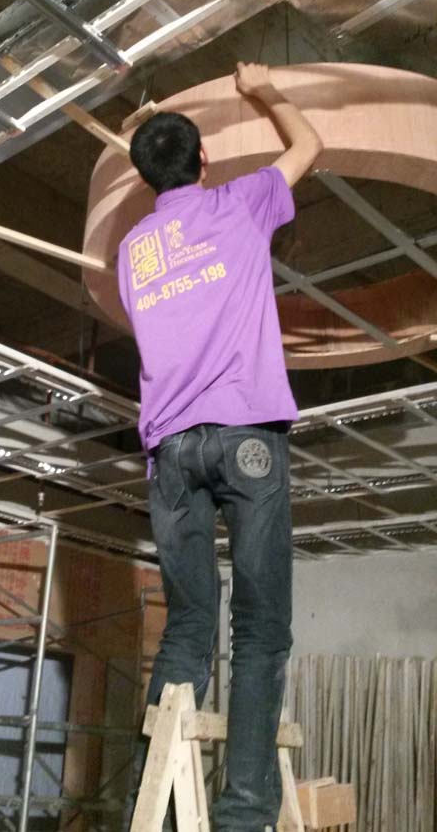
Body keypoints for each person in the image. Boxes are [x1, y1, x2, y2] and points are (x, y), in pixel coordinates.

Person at [116, 62, 323, 832]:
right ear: (204, 159)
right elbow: (309, 144)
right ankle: (240, 816)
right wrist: (264, 89)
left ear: (146, 177)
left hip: (171, 451)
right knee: (260, 627)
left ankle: (154, 808)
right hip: (244, 434)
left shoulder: (132, 251)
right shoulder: (239, 202)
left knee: (188, 626)